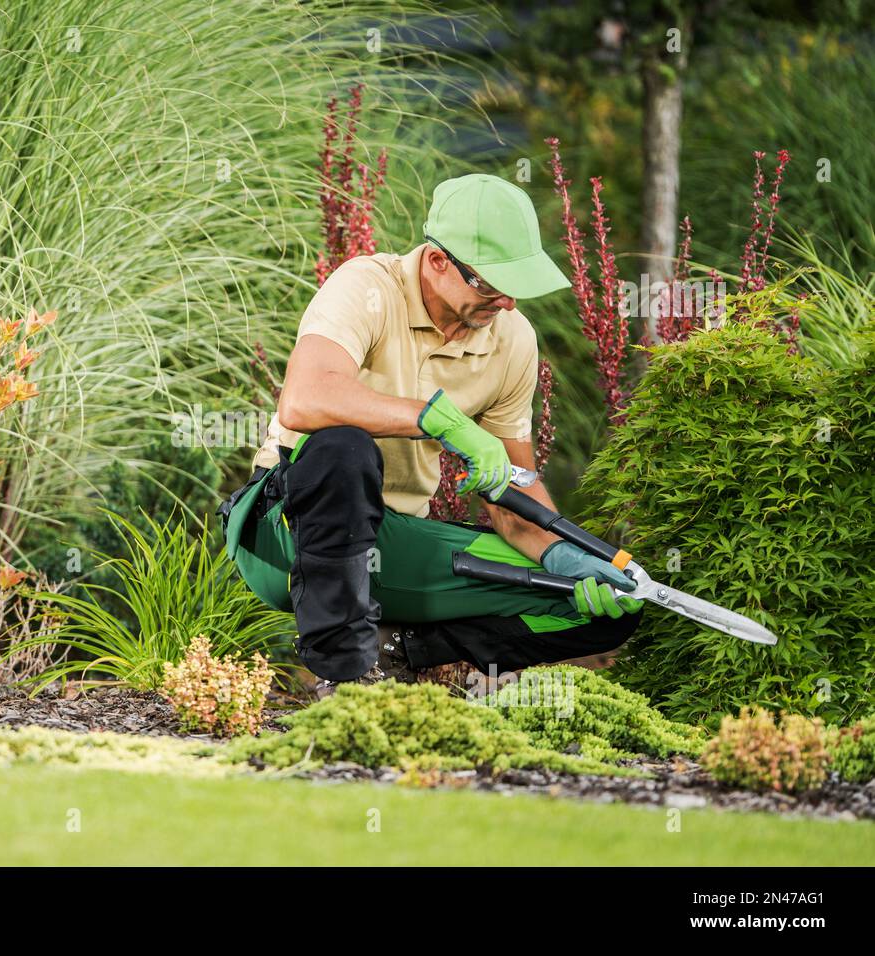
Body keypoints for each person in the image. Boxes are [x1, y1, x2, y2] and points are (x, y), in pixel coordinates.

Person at [217, 173, 644, 699]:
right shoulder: (367, 287)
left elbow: (513, 496)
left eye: (516, 285)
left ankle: (400, 658)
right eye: (489, 283)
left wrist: (564, 556)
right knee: (341, 449)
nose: (507, 302)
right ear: (437, 260)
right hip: (287, 533)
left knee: (598, 607)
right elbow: (305, 398)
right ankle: (345, 678)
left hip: (395, 542)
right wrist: (441, 418)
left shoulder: (512, 341)